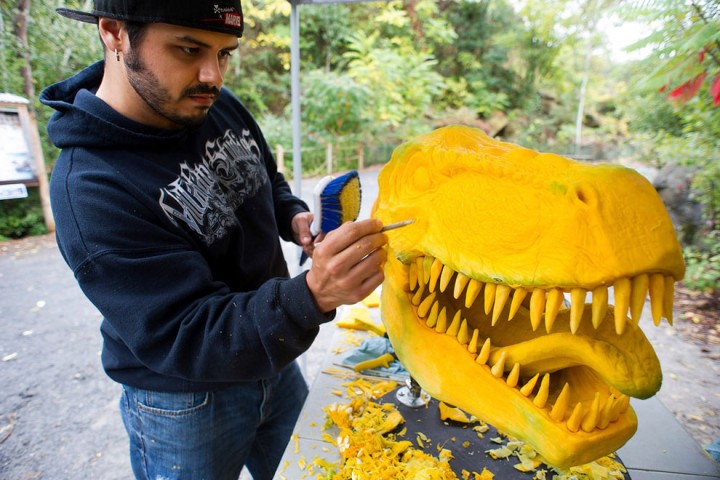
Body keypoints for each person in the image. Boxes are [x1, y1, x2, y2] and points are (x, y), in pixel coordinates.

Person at [39, 1, 388, 479]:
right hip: (185, 401)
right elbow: (185, 331)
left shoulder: (211, 102)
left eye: (225, 54)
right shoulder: (90, 187)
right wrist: (313, 294)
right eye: (188, 49)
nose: (213, 75)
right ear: (114, 33)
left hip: (273, 359)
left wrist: (293, 218)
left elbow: (266, 176)